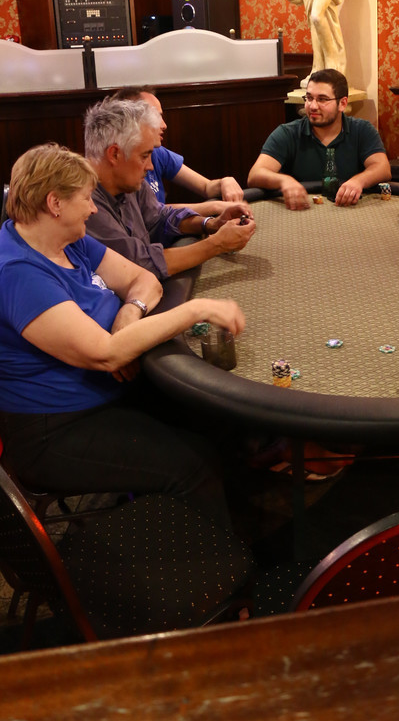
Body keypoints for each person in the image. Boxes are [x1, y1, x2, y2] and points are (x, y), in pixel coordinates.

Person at [0, 143, 248, 531]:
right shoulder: (18, 272)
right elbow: (106, 355)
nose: (93, 209)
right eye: (86, 199)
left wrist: (127, 316)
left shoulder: (69, 239)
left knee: (218, 415)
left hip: (111, 392)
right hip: (56, 428)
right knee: (191, 467)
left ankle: (238, 532)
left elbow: (143, 280)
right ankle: (212, 566)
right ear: (54, 203)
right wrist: (196, 310)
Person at [84, 96, 255, 279]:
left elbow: (160, 218)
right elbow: (138, 265)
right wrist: (217, 244)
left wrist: (211, 224)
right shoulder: (84, 204)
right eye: (144, 156)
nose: (150, 166)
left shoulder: (128, 182)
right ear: (115, 154)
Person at [248, 68, 391, 209]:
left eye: (322, 99)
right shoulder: (287, 133)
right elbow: (255, 174)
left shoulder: (362, 130)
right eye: (309, 98)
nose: (313, 106)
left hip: (350, 210)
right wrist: (284, 181)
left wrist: (359, 181)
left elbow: (382, 168)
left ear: (342, 103)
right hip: (302, 211)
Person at [113, 86, 245, 209]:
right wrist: (214, 207)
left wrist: (225, 182)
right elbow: (153, 213)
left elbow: (206, 187)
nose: (164, 125)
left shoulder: (158, 152)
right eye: (155, 117)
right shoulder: (121, 160)